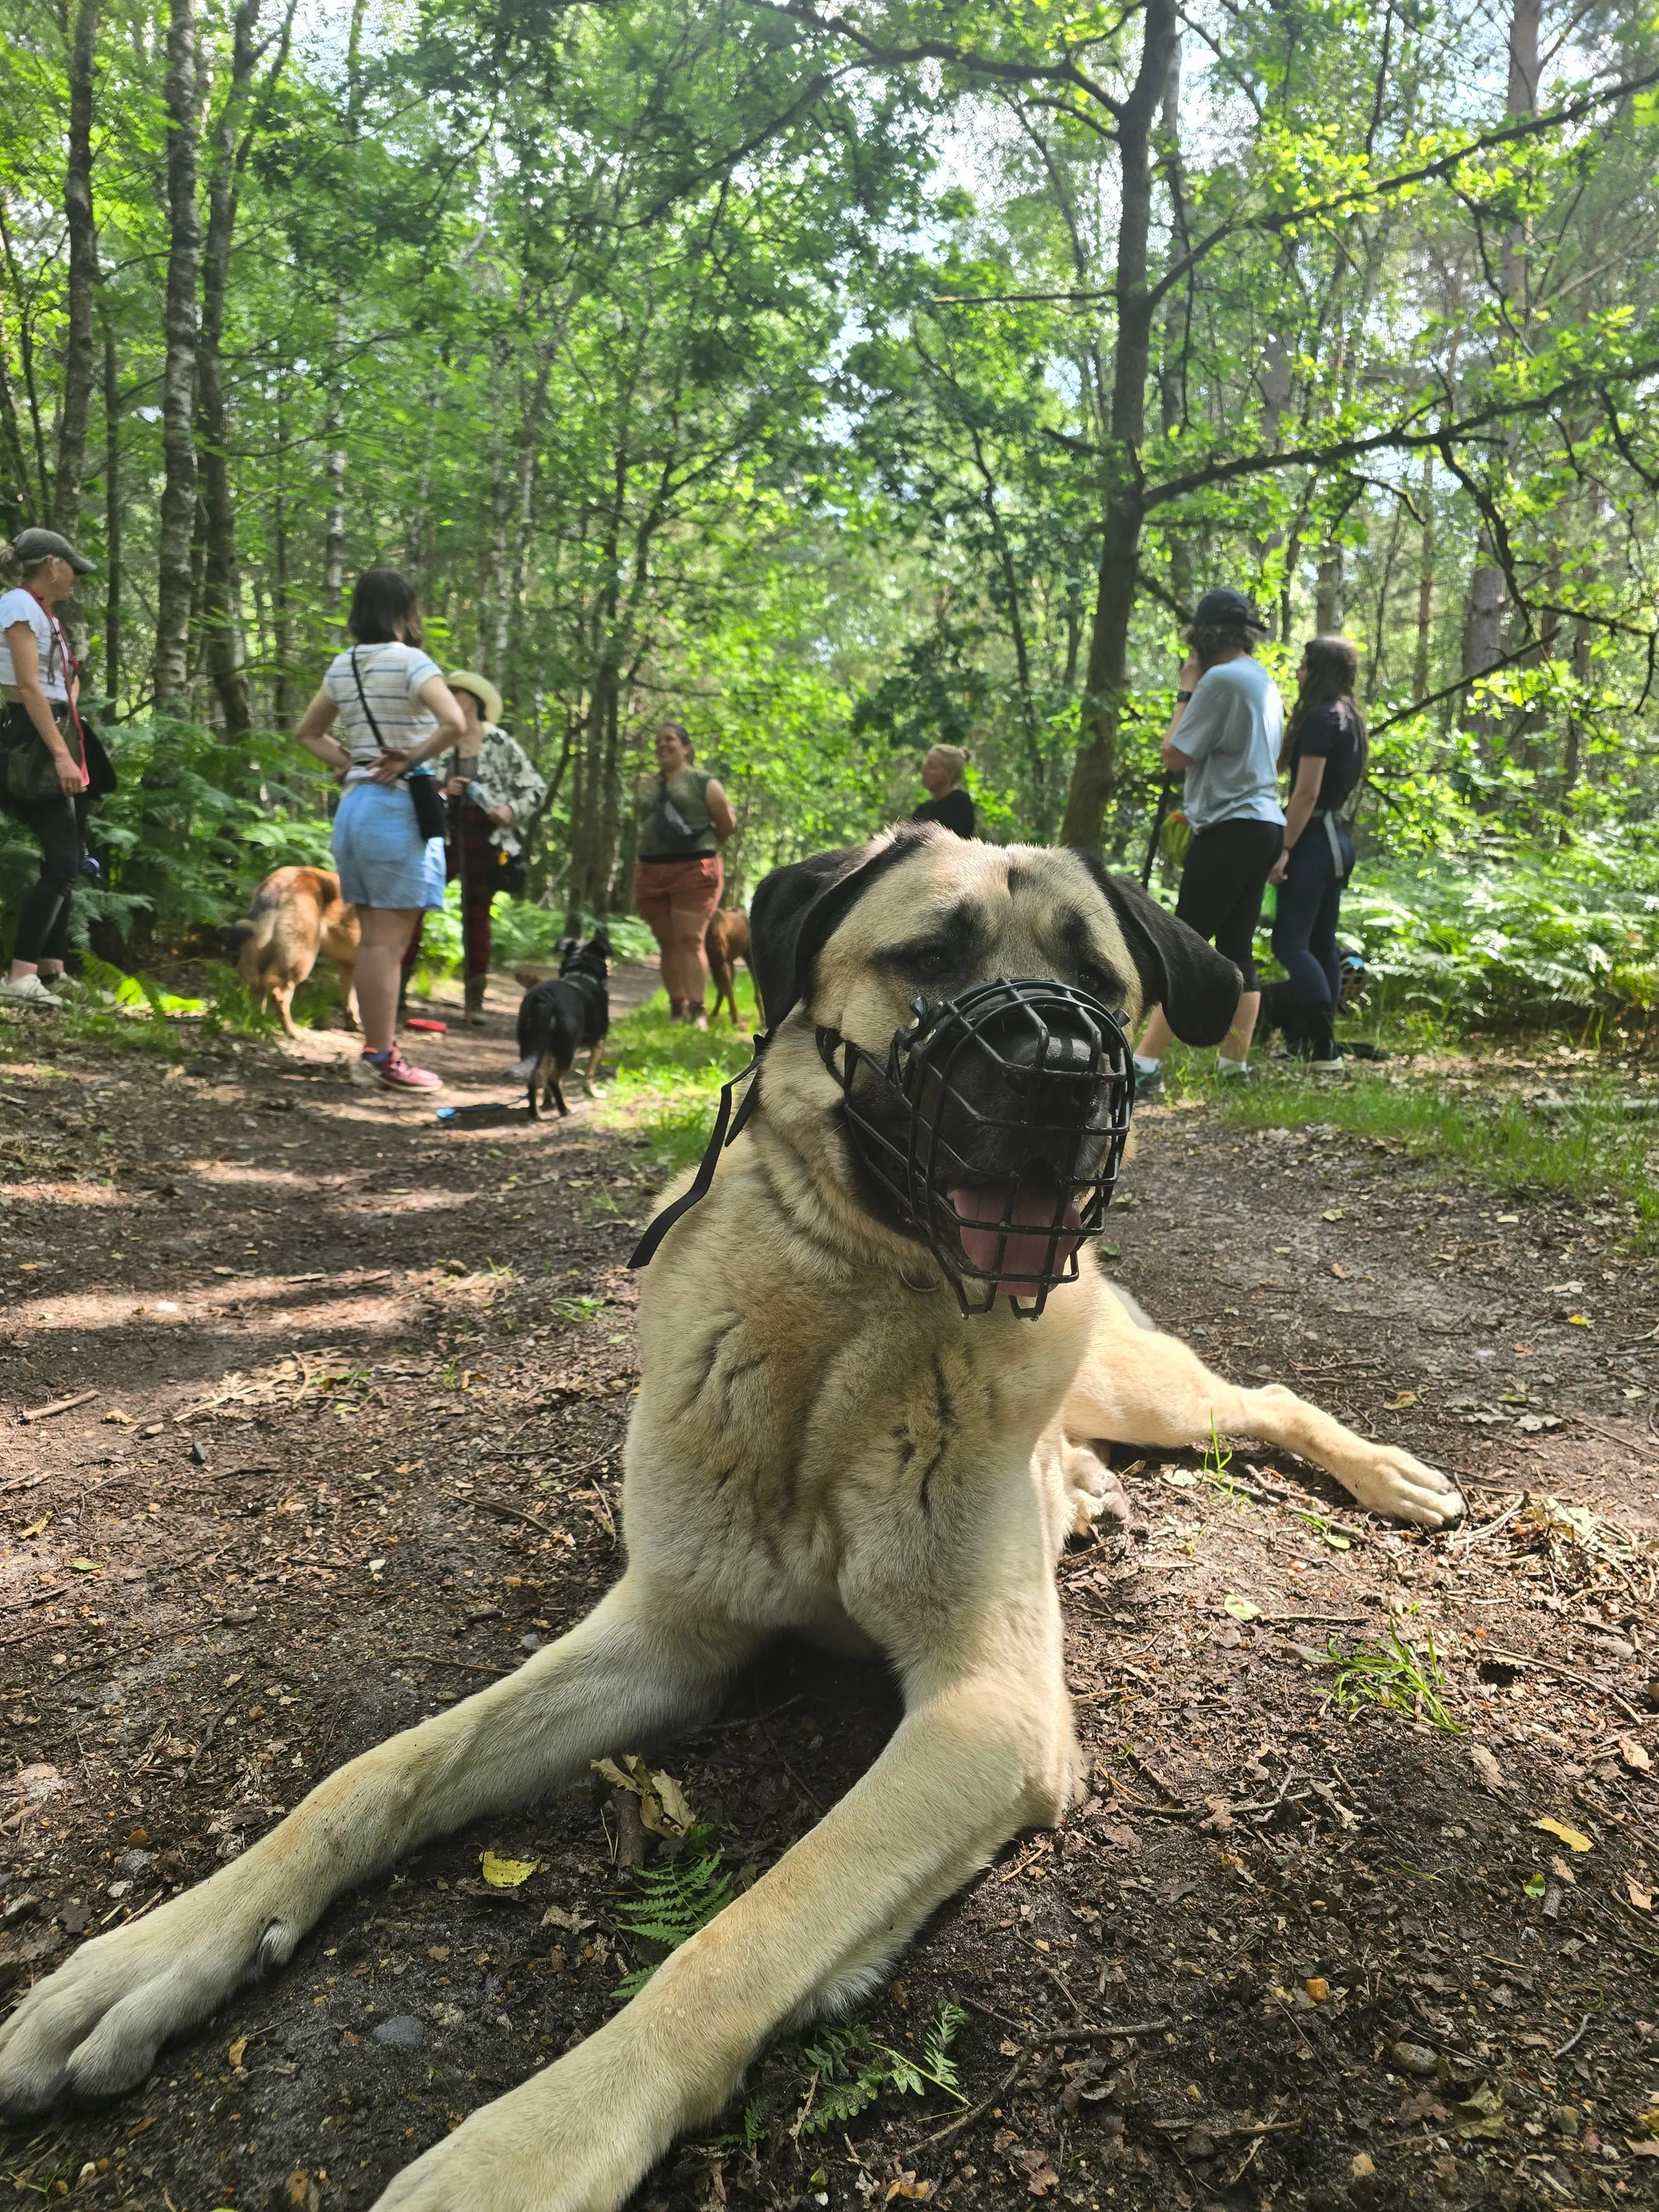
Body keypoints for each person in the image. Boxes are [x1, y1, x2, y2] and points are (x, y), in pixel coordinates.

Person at [291, 567, 465, 1091]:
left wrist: (352, 759)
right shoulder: (412, 662)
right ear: (405, 611)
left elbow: (307, 732)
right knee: (387, 945)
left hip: (355, 808)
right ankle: (380, 1055)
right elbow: (454, 722)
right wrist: (412, 757)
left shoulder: (344, 665)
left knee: (373, 941)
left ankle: (378, 1047)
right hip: (396, 809)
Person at [1132, 586, 1286, 1098]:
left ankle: (1144, 1065)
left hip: (1231, 824)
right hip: (1265, 821)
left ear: (1203, 636)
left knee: (1185, 943)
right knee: (1238, 944)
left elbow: (1175, 754)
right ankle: (1233, 1067)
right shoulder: (1262, 680)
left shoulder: (1219, 681)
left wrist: (1186, 689)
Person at [398, 670, 547, 1027]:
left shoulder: (500, 742)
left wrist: (509, 811)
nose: (451, 699)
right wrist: (443, 793)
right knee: (415, 906)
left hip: (487, 838)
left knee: (477, 916)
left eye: (458, 694)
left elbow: (535, 789)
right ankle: (399, 990)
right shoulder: (437, 742)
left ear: (475, 701)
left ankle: (474, 1002)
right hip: (442, 836)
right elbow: (417, 789)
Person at [0, 528, 98, 1010]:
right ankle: (21, 974)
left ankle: (52, 969)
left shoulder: (43, 613)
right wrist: (60, 753)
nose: (76, 576)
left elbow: (60, 682)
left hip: (54, 730)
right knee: (62, 858)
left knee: (70, 850)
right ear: (52, 565)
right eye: (72, 566)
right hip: (31, 738)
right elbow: (27, 687)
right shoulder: (18, 605)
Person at [1268, 635, 1368, 1071]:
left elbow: (1306, 793)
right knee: (1322, 943)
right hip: (1338, 843)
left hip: (1313, 842)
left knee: (1290, 943)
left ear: (1320, 671)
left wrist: (1283, 848)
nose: (1298, 672)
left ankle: (1322, 1045)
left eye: (1304, 665)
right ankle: (1317, 1047)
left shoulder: (1321, 720)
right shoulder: (1351, 718)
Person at [632, 721, 735, 1027]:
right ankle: (678, 1009)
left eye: (670, 740)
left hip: (695, 869)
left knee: (690, 939)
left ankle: (698, 1012)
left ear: (686, 747)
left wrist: (701, 849)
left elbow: (726, 823)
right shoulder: (648, 785)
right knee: (668, 943)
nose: (663, 745)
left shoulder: (703, 782)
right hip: (652, 871)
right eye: (658, 741)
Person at [911, 744, 975, 838]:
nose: (924, 771)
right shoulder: (921, 810)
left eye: (932, 766)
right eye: (925, 765)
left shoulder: (960, 804)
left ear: (950, 774)